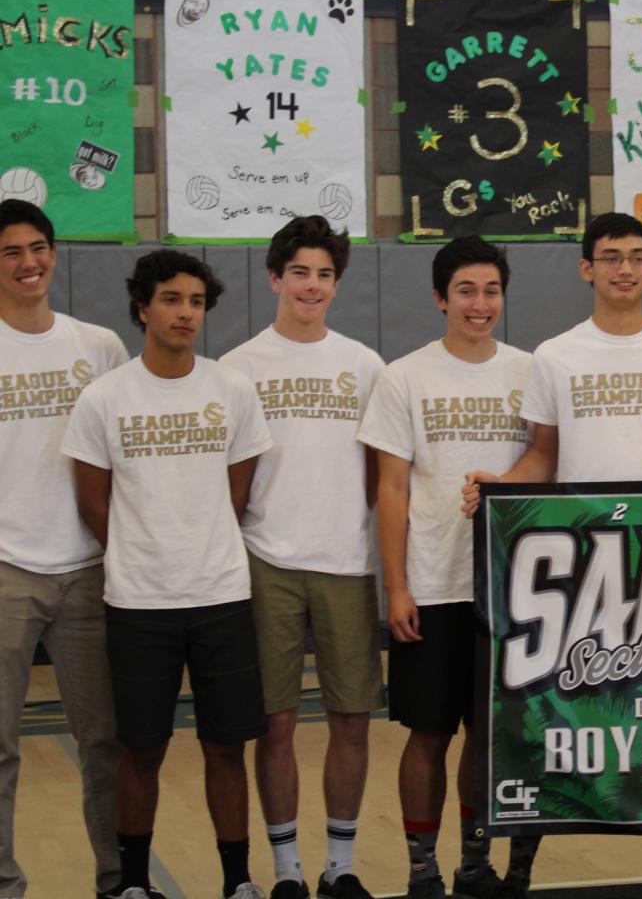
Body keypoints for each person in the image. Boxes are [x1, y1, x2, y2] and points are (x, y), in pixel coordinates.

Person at [461, 212, 642, 899]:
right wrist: (499, 485)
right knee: (556, 712)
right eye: (610, 257)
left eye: (637, 256)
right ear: (587, 269)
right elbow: (543, 457)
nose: (625, 269)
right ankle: (520, 869)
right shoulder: (556, 355)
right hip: (580, 560)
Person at [61, 249, 274, 899]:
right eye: (173, 300)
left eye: (197, 302)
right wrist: (144, 551)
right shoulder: (104, 399)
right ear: (142, 308)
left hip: (220, 597)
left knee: (225, 748)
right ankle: (130, 884)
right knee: (141, 749)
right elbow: (94, 504)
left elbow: (238, 492)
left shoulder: (231, 389)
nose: (186, 313)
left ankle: (237, 882)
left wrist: (198, 544)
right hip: (137, 603)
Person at [356, 236, 531, 899]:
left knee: (488, 738)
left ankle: (474, 861)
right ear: (440, 298)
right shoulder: (404, 376)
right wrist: (396, 585)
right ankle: (422, 864)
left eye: (490, 290)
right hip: (433, 583)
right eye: (465, 290)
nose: (479, 303)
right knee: (429, 733)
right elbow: (391, 488)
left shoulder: (529, 370)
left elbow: (545, 464)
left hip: (510, 589)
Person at [220, 217, 385, 899]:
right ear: (275, 279)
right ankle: (287, 869)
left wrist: (351, 524)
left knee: (350, 718)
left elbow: (381, 472)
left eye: (323, 274)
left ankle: (339, 866)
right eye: (299, 273)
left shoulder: (364, 365)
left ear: (336, 284)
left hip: (346, 560)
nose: (311, 286)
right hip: (267, 560)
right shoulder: (239, 366)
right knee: (277, 721)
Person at [0, 200, 127, 899]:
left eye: (38, 248)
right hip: (5, 571)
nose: (29, 263)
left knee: (104, 745)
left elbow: (123, 454)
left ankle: (117, 880)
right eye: (12, 251)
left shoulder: (99, 345)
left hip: (87, 574)